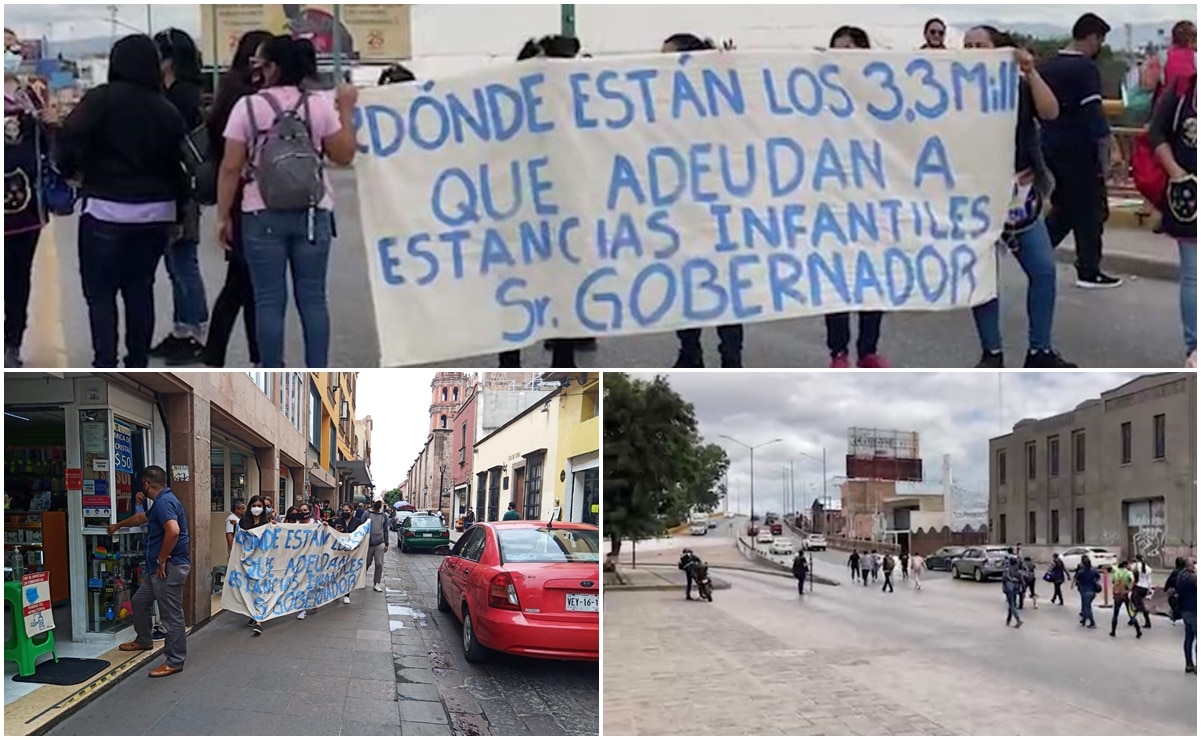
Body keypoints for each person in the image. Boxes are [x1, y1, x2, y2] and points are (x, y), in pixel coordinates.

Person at [216, 34, 359, 368]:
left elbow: (231, 166)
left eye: (261, 64)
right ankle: (318, 377)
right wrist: (347, 111)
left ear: (273, 67)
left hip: (260, 212)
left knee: (268, 301)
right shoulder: (318, 105)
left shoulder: (247, 107)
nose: (257, 71)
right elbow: (343, 155)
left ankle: (272, 378)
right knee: (313, 300)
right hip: (313, 211)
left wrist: (224, 216)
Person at [56, 34, 188, 368]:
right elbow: (180, 168)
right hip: (155, 214)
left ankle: (105, 363)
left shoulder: (100, 100)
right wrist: (179, 216)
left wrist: (73, 171)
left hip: (105, 211)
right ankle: (138, 362)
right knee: (140, 289)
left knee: (100, 294)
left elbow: (68, 137)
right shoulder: (166, 110)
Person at [965, 27, 1077, 369]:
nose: (972, 51)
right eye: (967, 46)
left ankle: (1039, 350)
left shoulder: (1018, 85)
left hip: (1020, 196)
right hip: (975, 199)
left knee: (1043, 271)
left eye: (980, 46)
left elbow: (1051, 112)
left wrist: (1030, 71)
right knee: (983, 279)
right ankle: (991, 352)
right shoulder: (951, 93)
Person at [497, 34, 587, 370]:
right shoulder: (508, 112)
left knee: (561, 291)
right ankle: (512, 364)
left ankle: (560, 362)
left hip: (563, 219)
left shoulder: (580, 110)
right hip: (521, 219)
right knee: (519, 291)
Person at [658, 32, 745, 369]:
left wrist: (729, 70)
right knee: (685, 281)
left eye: (668, 56)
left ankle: (731, 353)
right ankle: (689, 349)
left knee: (727, 283)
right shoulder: (659, 99)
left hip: (720, 208)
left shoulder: (718, 96)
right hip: (681, 206)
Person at [202, 29, 272, 368]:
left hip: (239, 198)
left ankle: (226, 354)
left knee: (245, 285)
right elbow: (233, 161)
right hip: (248, 200)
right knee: (244, 285)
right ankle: (231, 354)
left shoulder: (230, 91)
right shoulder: (247, 99)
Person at [1039, 13, 1123, 289]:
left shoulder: (1047, 66)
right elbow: (1094, 114)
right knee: (1090, 209)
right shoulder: (1085, 69)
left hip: (1051, 145)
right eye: (1100, 40)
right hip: (1079, 150)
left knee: (1066, 206)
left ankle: (1037, 249)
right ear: (1092, 38)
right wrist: (1111, 149)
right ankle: (1089, 269)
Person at [825, 27, 887, 369]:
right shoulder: (818, 91)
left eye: (848, 49)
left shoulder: (881, 90)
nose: (841, 56)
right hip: (832, 201)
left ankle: (868, 350)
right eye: (836, 50)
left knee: (872, 278)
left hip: (873, 202)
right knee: (835, 278)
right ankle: (838, 352)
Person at [149, 28, 208, 365]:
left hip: (179, 191)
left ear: (168, 60)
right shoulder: (189, 94)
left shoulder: (178, 99)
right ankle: (182, 329)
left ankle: (193, 330)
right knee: (179, 262)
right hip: (185, 189)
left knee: (183, 261)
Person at [4, 27, 57, 369]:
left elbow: (52, 142)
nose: (11, 54)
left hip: (22, 208)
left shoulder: (33, 94)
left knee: (17, 277)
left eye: (13, 47)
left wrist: (53, 123)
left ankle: (12, 342)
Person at [107, 466, 190, 677]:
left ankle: (175, 661)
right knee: (139, 602)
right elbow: (142, 517)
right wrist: (118, 525)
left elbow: (173, 531)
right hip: (158, 570)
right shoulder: (162, 502)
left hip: (168, 569)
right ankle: (144, 640)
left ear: (145, 484)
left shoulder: (164, 503)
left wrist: (161, 559)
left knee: (171, 617)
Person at [1148, 68, 1197, 368]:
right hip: (1189, 195)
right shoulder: (1182, 90)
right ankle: (1195, 346)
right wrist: (1177, 173)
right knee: (1193, 274)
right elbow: (1156, 133)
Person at [238, 495, 272, 635]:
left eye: (259, 506)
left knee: (261, 590)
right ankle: (254, 614)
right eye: (254, 505)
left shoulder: (267, 522)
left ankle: (259, 621)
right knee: (250, 590)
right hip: (247, 562)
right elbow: (237, 542)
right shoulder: (243, 522)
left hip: (263, 562)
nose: (256, 508)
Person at [1110, 560, 1142, 638]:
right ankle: (1138, 631)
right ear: (1125, 565)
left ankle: (1113, 631)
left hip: (1118, 595)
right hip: (1126, 594)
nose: (1129, 566)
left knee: (1115, 614)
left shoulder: (1116, 573)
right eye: (1128, 564)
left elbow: (1113, 582)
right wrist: (1130, 588)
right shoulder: (1128, 573)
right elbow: (1133, 580)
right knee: (1131, 612)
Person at [1163, 21, 1197, 92]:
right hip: (1190, 100)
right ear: (1191, 41)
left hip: (1170, 99)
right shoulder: (1194, 57)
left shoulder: (1165, 57)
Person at [365, 499, 390, 592]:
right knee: (366, 563)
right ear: (372, 503)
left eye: (380, 502)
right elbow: (362, 527)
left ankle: (377, 583)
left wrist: (386, 543)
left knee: (379, 564)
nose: (378, 504)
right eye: (376, 502)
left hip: (380, 542)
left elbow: (385, 530)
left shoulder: (384, 515)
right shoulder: (367, 514)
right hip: (368, 543)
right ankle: (361, 580)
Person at [1176, 557, 1197, 673]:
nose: (1195, 566)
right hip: (1194, 610)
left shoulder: (1180, 576)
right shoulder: (1192, 578)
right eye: (1193, 564)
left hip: (1184, 610)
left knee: (1188, 638)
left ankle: (1189, 663)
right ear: (1189, 565)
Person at [1074, 555, 1101, 629]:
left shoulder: (1081, 572)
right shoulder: (1094, 571)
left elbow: (1077, 580)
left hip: (1085, 591)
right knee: (1087, 606)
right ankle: (1084, 620)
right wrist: (1094, 581)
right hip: (1092, 591)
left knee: (1087, 607)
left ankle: (1092, 622)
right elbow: (1098, 577)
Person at [1130, 555, 1154, 630]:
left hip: (1139, 587)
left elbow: (1130, 568)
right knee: (1138, 602)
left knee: (1137, 603)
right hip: (1145, 588)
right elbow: (1149, 581)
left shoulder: (1137, 565)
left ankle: (1141, 618)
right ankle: (1136, 614)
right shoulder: (1148, 568)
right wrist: (1149, 590)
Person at [1002, 549, 1024, 628]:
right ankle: (1008, 620)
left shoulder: (1007, 570)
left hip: (1009, 588)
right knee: (1012, 604)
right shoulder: (1018, 570)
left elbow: (1004, 578)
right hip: (1016, 588)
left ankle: (1018, 620)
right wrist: (1023, 588)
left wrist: (1004, 587)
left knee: (1012, 605)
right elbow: (1022, 580)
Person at [1166, 556, 1187, 624]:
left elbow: (1169, 581)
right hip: (1182, 591)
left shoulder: (1175, 571)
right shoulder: (1184, 571)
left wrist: (1166, 588)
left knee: (1173, 602)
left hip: (1175, 590)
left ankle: (1175, 615)